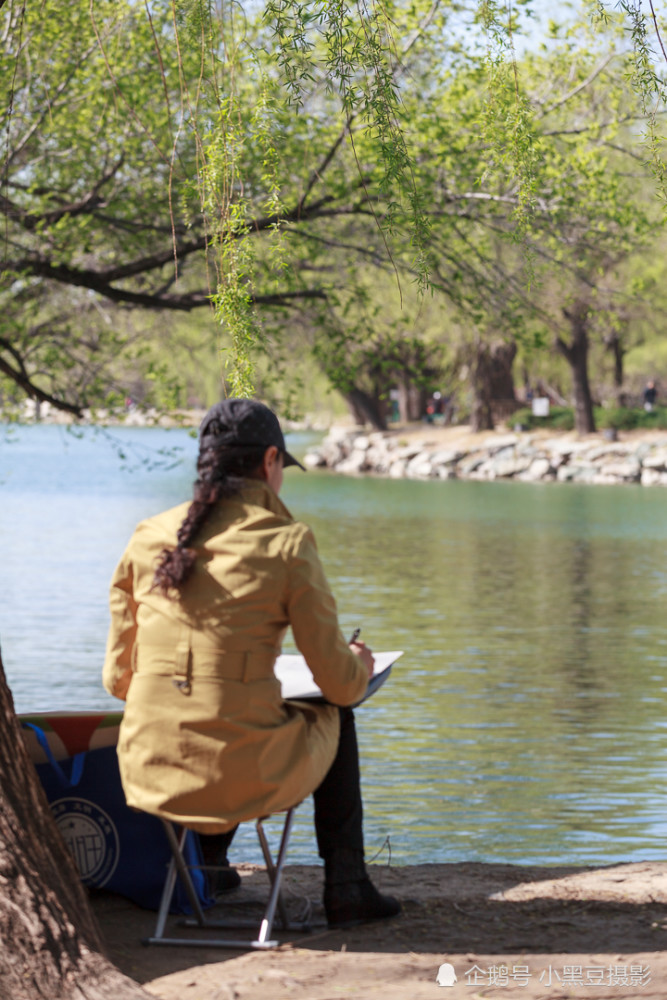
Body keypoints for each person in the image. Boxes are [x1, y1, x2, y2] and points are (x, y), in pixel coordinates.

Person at [102, 398, 400, 928]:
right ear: (269, 462)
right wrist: (357, 661)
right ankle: (348, 886)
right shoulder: (286, 543)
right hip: (241, 778)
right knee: (336, 713)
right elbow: (339, 684)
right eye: (282, 467)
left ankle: (210, 865)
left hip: (150, 774)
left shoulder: (147, 536)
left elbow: (118, 680)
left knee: (217, 709)